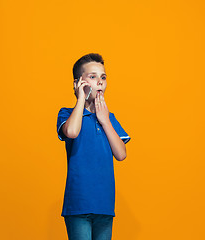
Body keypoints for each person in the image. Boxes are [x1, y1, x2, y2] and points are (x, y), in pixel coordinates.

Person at [56, 53, 131, 240]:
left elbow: (121, 154)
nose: (100, 81)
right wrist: (80, 99)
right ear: (78, 83)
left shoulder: (109, 118)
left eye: (103, 77)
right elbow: (72, 132)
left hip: (104, 205)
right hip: (78, 204)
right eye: (92, 76)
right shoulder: (67, 113)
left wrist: (105, 121)